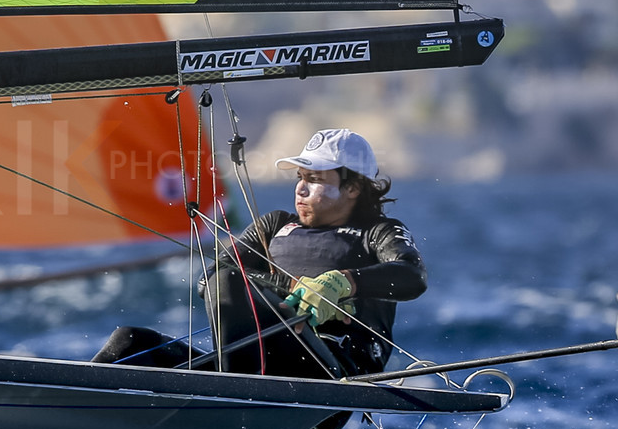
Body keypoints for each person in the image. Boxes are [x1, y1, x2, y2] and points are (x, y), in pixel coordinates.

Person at [95, 127, 424, 383]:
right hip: (252, 369)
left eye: (315, 180)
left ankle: (235, 402)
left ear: (353, 188)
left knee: (229, 281)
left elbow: (413, 275)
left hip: (330, 375)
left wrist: (341, 283)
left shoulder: (377, 231)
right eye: (300, 178)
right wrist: (290, 287)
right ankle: (77, 410)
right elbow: (212, 278)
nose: (301, 188)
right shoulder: (275, 224)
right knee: (130, 341)